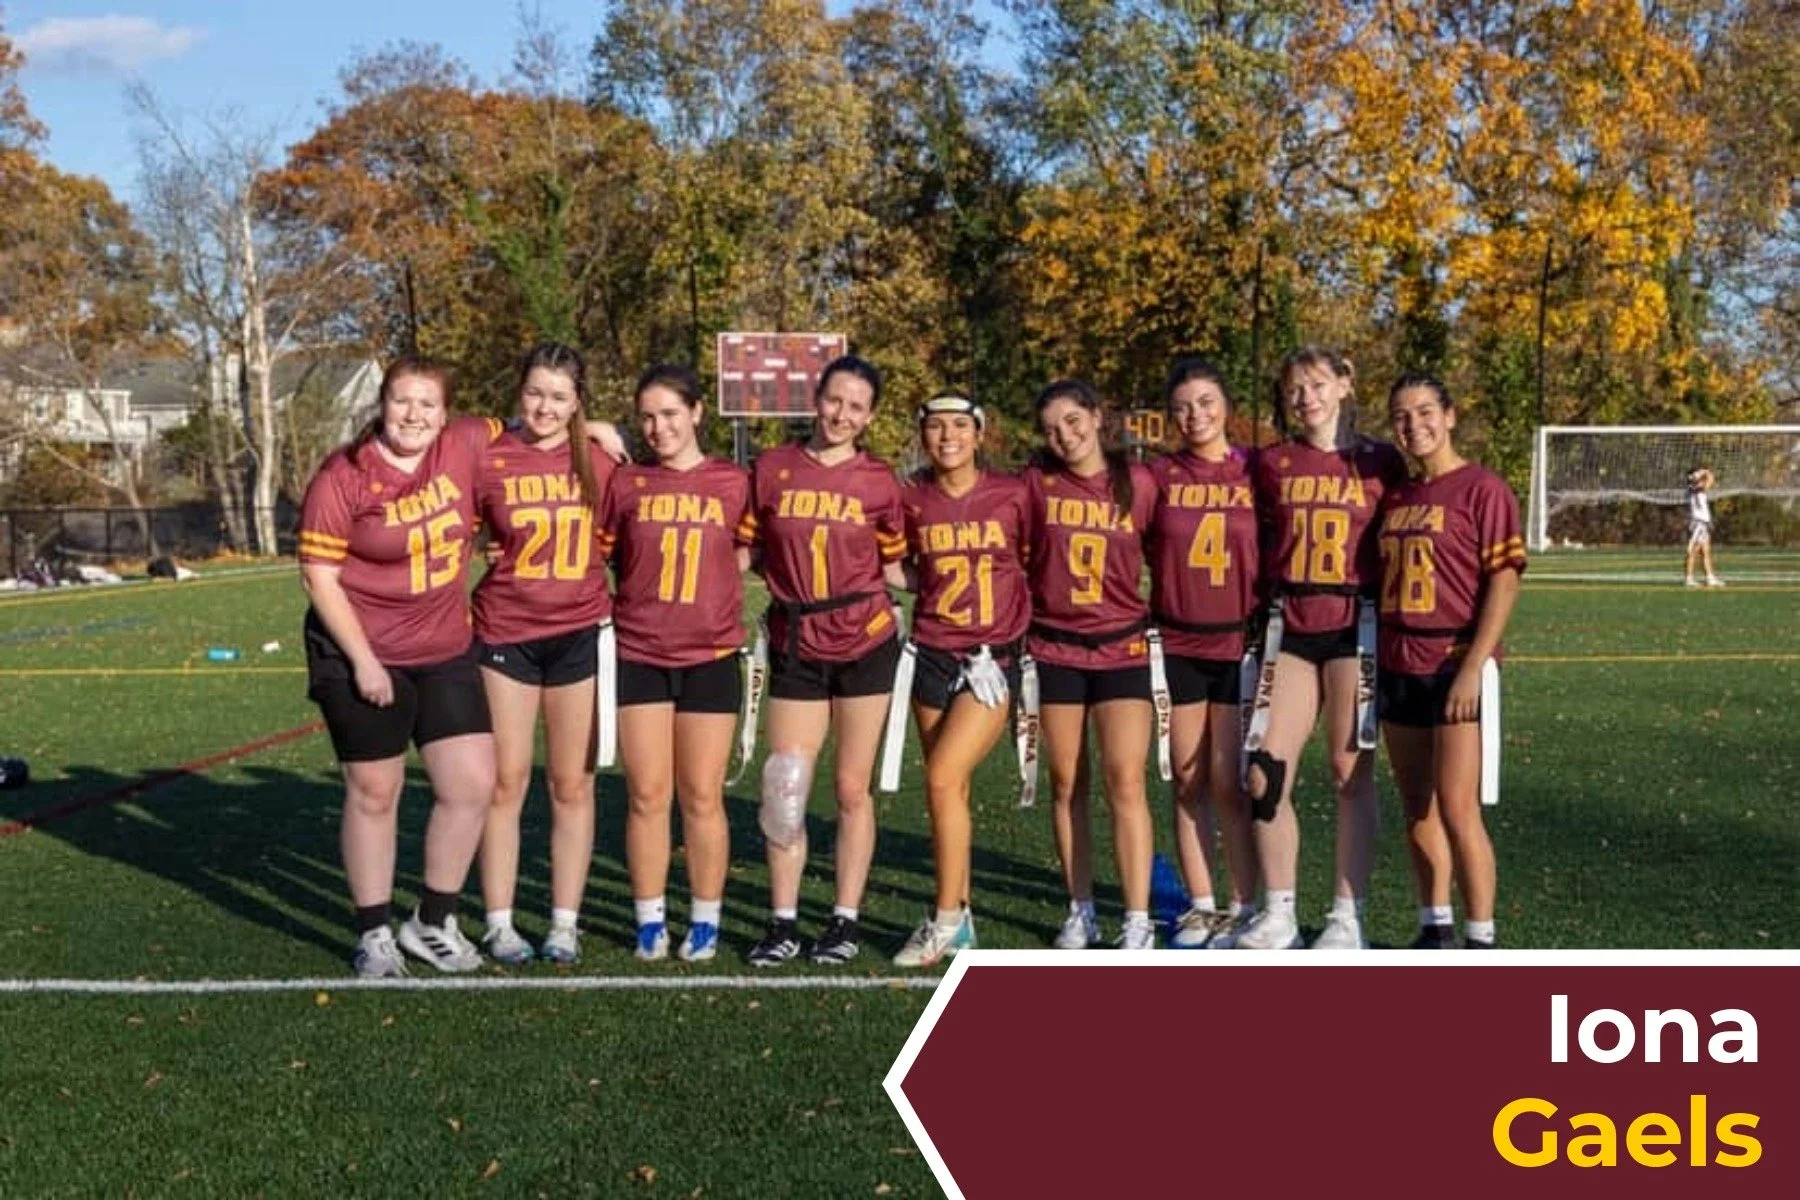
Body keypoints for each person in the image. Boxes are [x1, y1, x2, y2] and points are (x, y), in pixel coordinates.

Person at [297, 356, 502, 976]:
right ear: (382, 404)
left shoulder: (465, 442)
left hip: (443, 649)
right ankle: (374, 933)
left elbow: (531, 422)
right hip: (362, 651)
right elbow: (319, 576)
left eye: (427, 404)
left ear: (446, 413)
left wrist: (594, 428)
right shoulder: (345, 474)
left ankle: (432, 922)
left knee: (471, 785)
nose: (414, 415)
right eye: (402, 401)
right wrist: (364, 662)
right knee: (375, 792)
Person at [737, 355, 909, 966]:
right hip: (796, 639)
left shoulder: (880, 480)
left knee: (850, 788)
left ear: (869, 417)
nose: (841, 414)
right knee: (785, 785)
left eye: (856, 407)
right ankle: (782, 921)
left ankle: (844, 919)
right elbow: (743, 551)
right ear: (816, 397)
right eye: (835, 400)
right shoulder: (772, 469)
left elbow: (896, 566)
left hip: (865, 637)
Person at [1235, 347, 1407, 951]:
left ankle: (1345, 915)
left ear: (1343, 385)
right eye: (1294, 389)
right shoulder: (1271, 461)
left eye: (1316, 384)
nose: (1305, 397)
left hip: (1354, 624)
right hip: (1290, 623)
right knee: (1263, 771)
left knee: (1347, 771)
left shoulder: (1382, 460)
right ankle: (1278, 910)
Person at [470, 342, 616, 966]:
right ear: (518, 391)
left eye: (559, 396)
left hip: (579, 631)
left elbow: (622, 534)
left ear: (577, 401)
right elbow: (468, 529)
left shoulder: (600, 462)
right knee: (505, 782)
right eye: (535, 392)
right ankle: (498, 923)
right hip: (505, 631)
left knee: (571, 784)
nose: (545, 406)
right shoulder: (489, 456)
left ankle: (564, 922)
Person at [599, 365, 750, 963]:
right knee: (646, 794)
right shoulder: (626, 483)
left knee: (702, 795)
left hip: (710, 655)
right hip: (639, 652)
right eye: (647, 416)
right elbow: (604, 555)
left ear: (696, 413)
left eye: (669, 413)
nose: (658, 427)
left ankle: (706, 919)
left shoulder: (736, 482)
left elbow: (757, 548)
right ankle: (649, 917)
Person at [1378, 375, 1525, 949]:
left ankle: (1481, 938)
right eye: (1401, 415)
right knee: (1417, 806)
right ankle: (1432, 925)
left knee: (1459, 808)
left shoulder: (1483, 488)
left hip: (1455, 661)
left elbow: (1505, 582)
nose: (1414, 424)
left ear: (1451, 415)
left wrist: (1474, 665)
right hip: (1398, 661)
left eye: (1424, 411)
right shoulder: (1397, 496)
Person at [891, 394, 1031, 967]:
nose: (946, 436)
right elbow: (891, 563)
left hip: (989, 660)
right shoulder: (911, 497)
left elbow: (1036, 558)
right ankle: (962, 912)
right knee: (952, 788)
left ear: (978, 433)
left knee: (944, 778)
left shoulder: (1014, 494)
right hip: (930, 651)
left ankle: (944, 920)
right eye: (934, 426)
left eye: (957, 426)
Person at [1024, 379, 1158, 950]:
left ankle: (1136, 917)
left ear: (1098, 417)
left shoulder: (1141, 483)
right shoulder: (1036, 483)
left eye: (1074, 421)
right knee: (1066, 782)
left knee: (1125, 778)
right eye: (1052, 429)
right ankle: (1081, 911)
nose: (1065, 436)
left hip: (1121, 646)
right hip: (1055, 647)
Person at [1146, 358, 1260, 948]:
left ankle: (1245, 906)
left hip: (1239, 641)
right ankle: (1202, 903)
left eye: (1207, 402)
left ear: (1226, 406)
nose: (1196, 416)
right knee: (1187, 778)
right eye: (1184, 406)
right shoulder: (1158, 474)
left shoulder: (1256, 471)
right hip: (1178, 640)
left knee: (1230, 780)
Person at [1684, 466, 1723, 588]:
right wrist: (1706, 471)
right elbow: (1710, 480)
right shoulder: (1696, 488)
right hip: (1698, 523)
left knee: (1705, 551)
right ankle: (1689, 578)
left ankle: (1709, 577)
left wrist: (1702, 473)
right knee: (1693, 551)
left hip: (1702, 523)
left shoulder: (1695, 488)